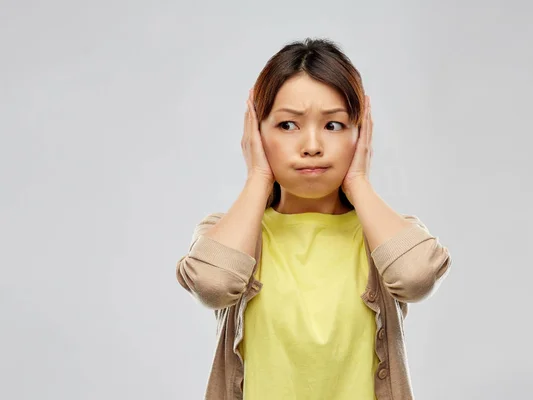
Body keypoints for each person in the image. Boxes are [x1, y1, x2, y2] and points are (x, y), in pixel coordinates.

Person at [176, 37, 453, 400]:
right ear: (256, 133)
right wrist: (258, 177)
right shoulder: (229, 233)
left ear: (361, 134)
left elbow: (416, 277)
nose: (311, 145)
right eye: (288, 125)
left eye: (334, 126)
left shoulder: (386, 235)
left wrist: (358, 182)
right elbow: (212, 284)